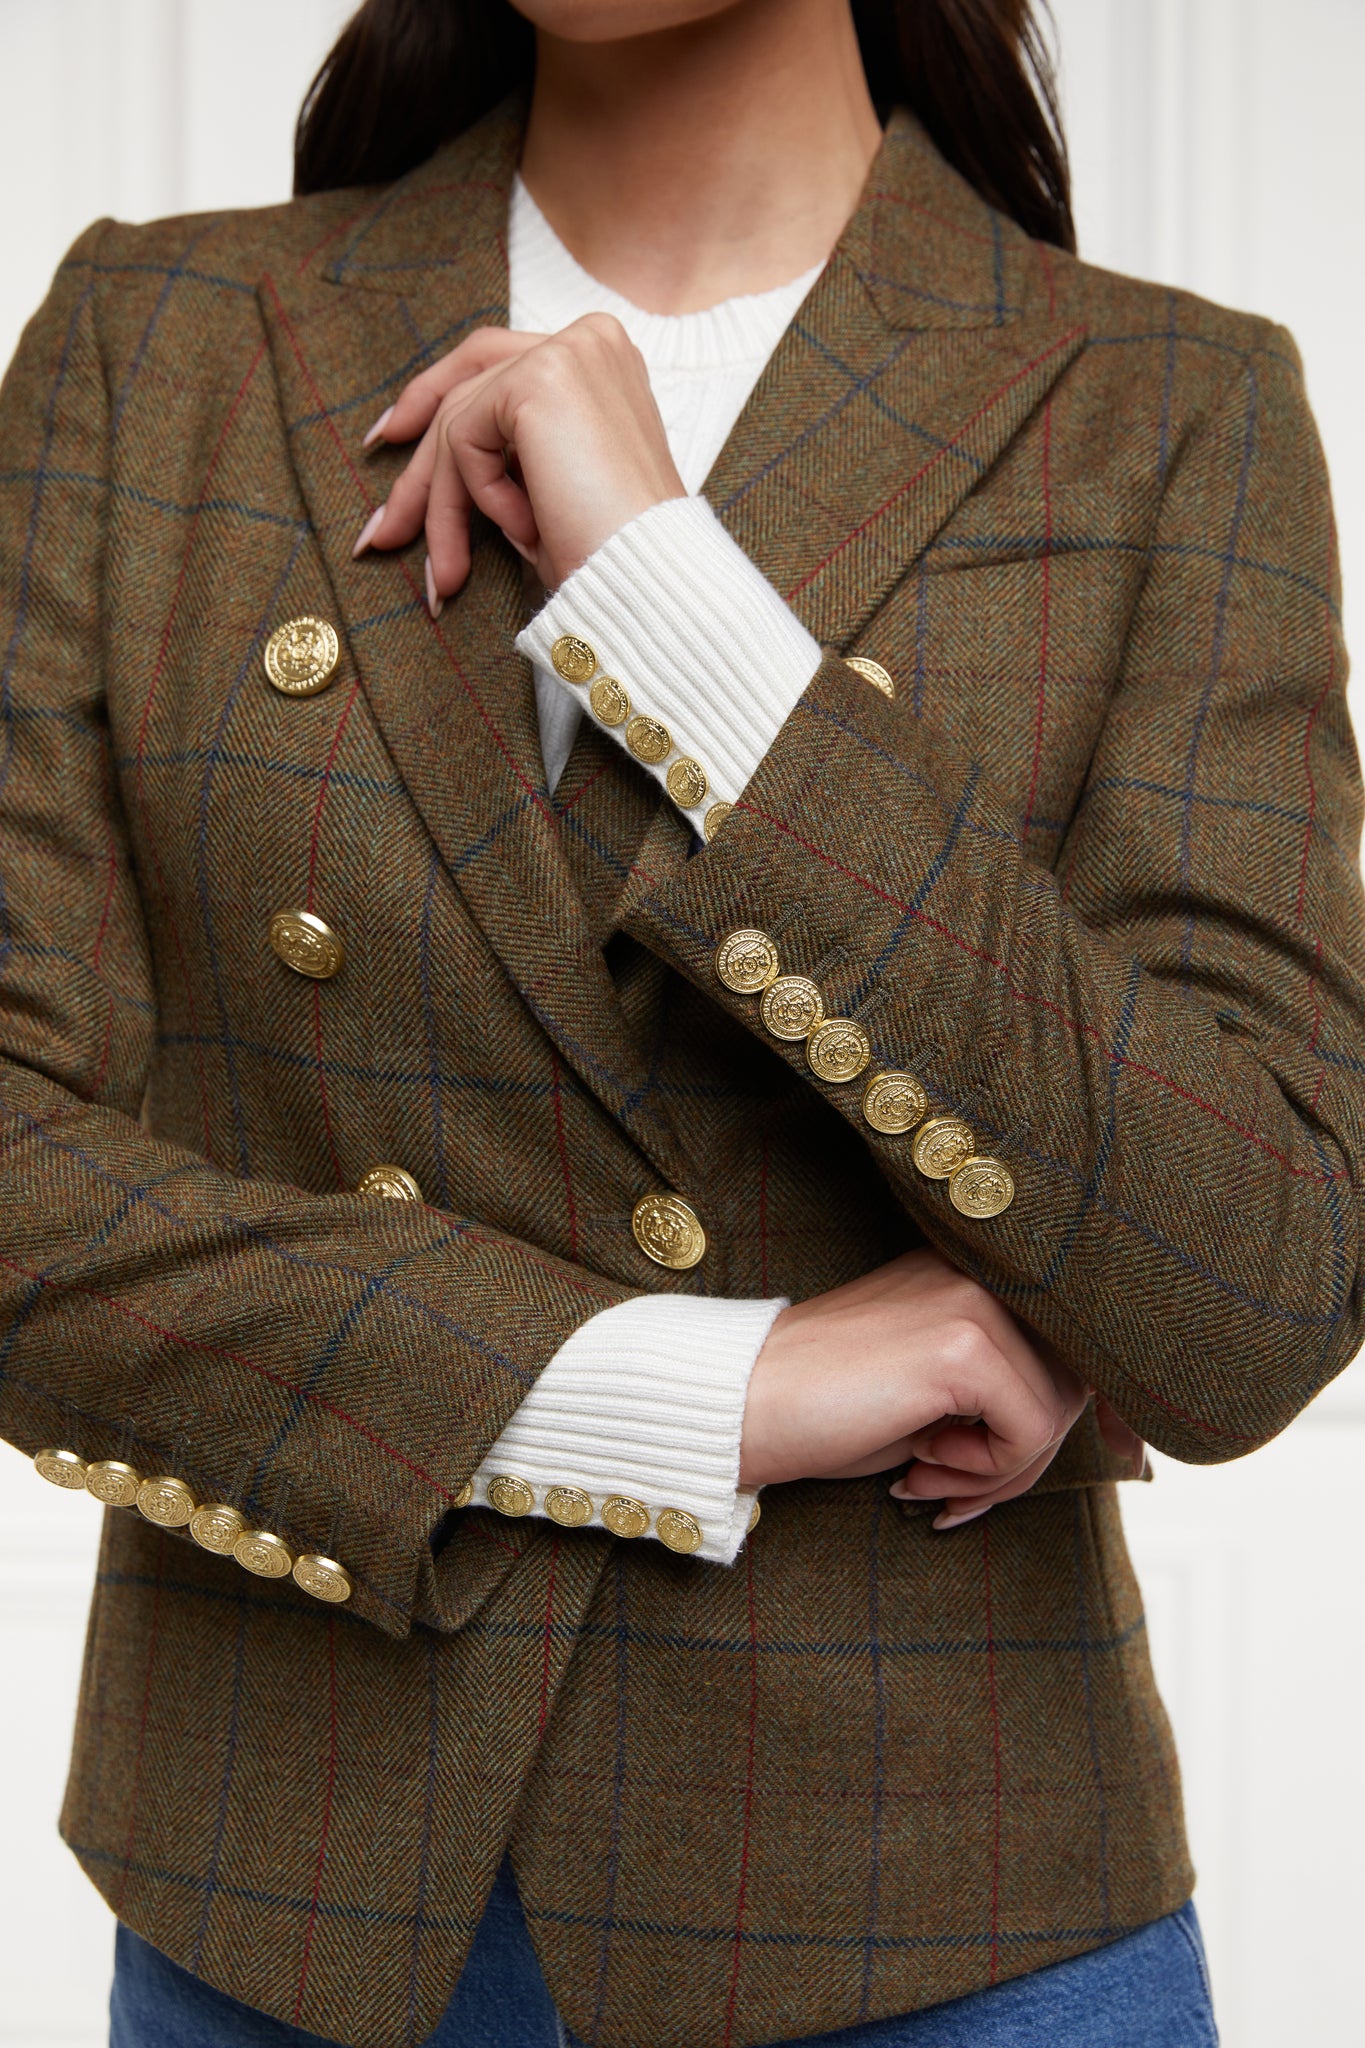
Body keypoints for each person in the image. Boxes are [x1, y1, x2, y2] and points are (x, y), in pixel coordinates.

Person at [0, 0, 1357, 2041]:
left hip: (939, 1913)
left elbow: (1249, 1282)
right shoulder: (159, 338)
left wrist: (680, 613)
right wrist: (687, 1392)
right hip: (291, 1907)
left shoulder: (1168, 404)